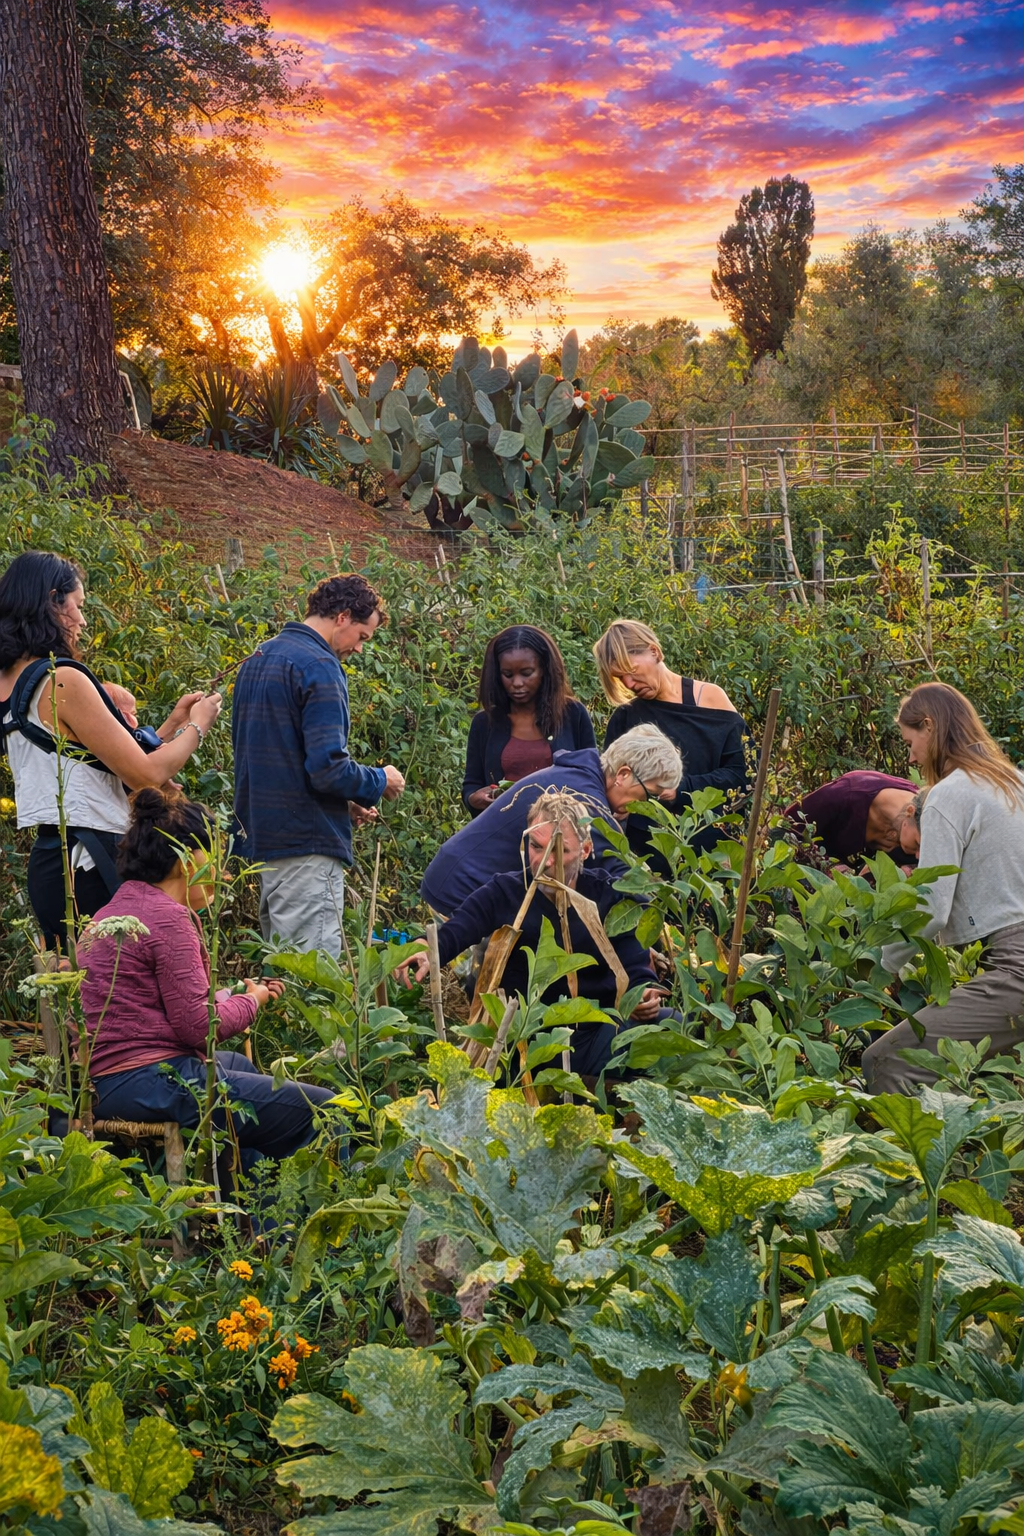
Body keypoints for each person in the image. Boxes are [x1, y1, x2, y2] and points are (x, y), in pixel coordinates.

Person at [79, 787, 336, 1166]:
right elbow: (199, 1028)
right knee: (327, 1109)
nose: (223, 871)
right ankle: (297, 1216)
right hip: (146, 1081)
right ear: (186, 859)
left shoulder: (114, 911)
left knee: (240, 1067)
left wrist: (225, 995)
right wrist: (252, 1001)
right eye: (215, 857)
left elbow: (152, 1007)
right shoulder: (170, 918)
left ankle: (243, 1213)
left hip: (110, 1082)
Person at [0, 551, 222, 948]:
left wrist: (171, 726)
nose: (83, 621)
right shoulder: (60, 678)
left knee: (75, 995)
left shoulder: (9, 684)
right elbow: (146, 776)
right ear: (54, 601)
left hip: (53, 860)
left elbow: (93, 763)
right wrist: (198, 725)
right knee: (123, 995)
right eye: (79, 606)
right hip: (93, 859)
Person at [401, 793, 667, 1080]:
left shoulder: (608, 896)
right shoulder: (505, 892)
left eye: (560, 851)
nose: (545, 861)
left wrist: (644, 995)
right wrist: (427, 948)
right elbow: (458, 929)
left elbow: (635, 963)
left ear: (586, 850)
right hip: (522, 1042)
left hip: (593, 1035)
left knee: (672, 1028)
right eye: (536, 846)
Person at [231, 573, 406, 958]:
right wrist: (380, 780)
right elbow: (328, 768)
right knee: (312, 982)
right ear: (343, 616)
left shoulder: (258, 658)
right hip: (305, 848)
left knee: (280, 976)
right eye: (362, 637)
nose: (360, 650)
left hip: (263, 841)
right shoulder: (320, 667)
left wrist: (344, 802)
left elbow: (281, 760)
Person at [862, 684, 1024, 1095]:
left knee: (886, 1060)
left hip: (1015, 967)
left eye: (911, 742)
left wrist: (876, 971)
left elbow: (931, 908)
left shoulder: (948, 796)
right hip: (1007, 960)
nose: (911, 758)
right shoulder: (1014, 783)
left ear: (930, 727)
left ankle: (910, 1161)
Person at [421, 723, 683, 917]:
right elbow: (620, 874)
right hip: (462, 893)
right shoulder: (583, 800)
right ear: (623, 774)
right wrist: (661, 915)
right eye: (650, 794)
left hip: (457, 880)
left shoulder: (580, 774)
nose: (646, 805)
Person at [594, 619, 750, 867]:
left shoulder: (710, 699)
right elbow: (609, 783)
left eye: (631, 672)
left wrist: (680, 790)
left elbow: (744, 775)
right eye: (619, 678)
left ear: (654, 651)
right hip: (647, 860)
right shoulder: (625, 718)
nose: (628, 685)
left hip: (715, 853)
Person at [462, 625, 596, 814]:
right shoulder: (485, 723)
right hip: (502, 830)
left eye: (526, 673)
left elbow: (591, 777)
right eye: (507, 675)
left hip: (562, 830)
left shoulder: (573, 714)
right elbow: (471, 785)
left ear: (545, 671)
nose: (517, 683)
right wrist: (475, 798)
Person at [785, 770, 919, 864]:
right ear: (909, 812)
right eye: (918, 844)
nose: (919, 854)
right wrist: (828, 865)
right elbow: (785, 827)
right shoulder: (844, 796)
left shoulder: (922, 821)